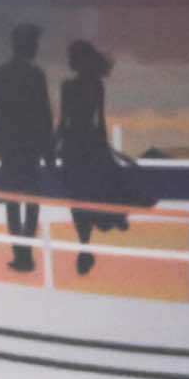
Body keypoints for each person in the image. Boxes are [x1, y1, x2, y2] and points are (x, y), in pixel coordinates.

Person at [55, 39, 151, 274]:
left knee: (82, 195)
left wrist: (53, 145)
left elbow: (67, 123)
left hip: (76, 147)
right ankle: (95, 235)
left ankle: (86, 243)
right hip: (86, 144)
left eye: (72, 57)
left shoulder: (76, 86)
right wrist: (106, 148)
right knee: (93, 190)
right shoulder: (93, 86)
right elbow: (96, 122)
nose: (70, 61)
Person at [0, 22, 54, 272]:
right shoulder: (36, 76)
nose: (37, 47)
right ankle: (26, 252)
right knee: (32, 201)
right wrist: (48, 151)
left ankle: (20, 253)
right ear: (26, 45)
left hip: (9, 148)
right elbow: (45, 117)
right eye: (34, 43)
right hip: (31, 148)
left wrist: (0, 135)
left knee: (12, 202)